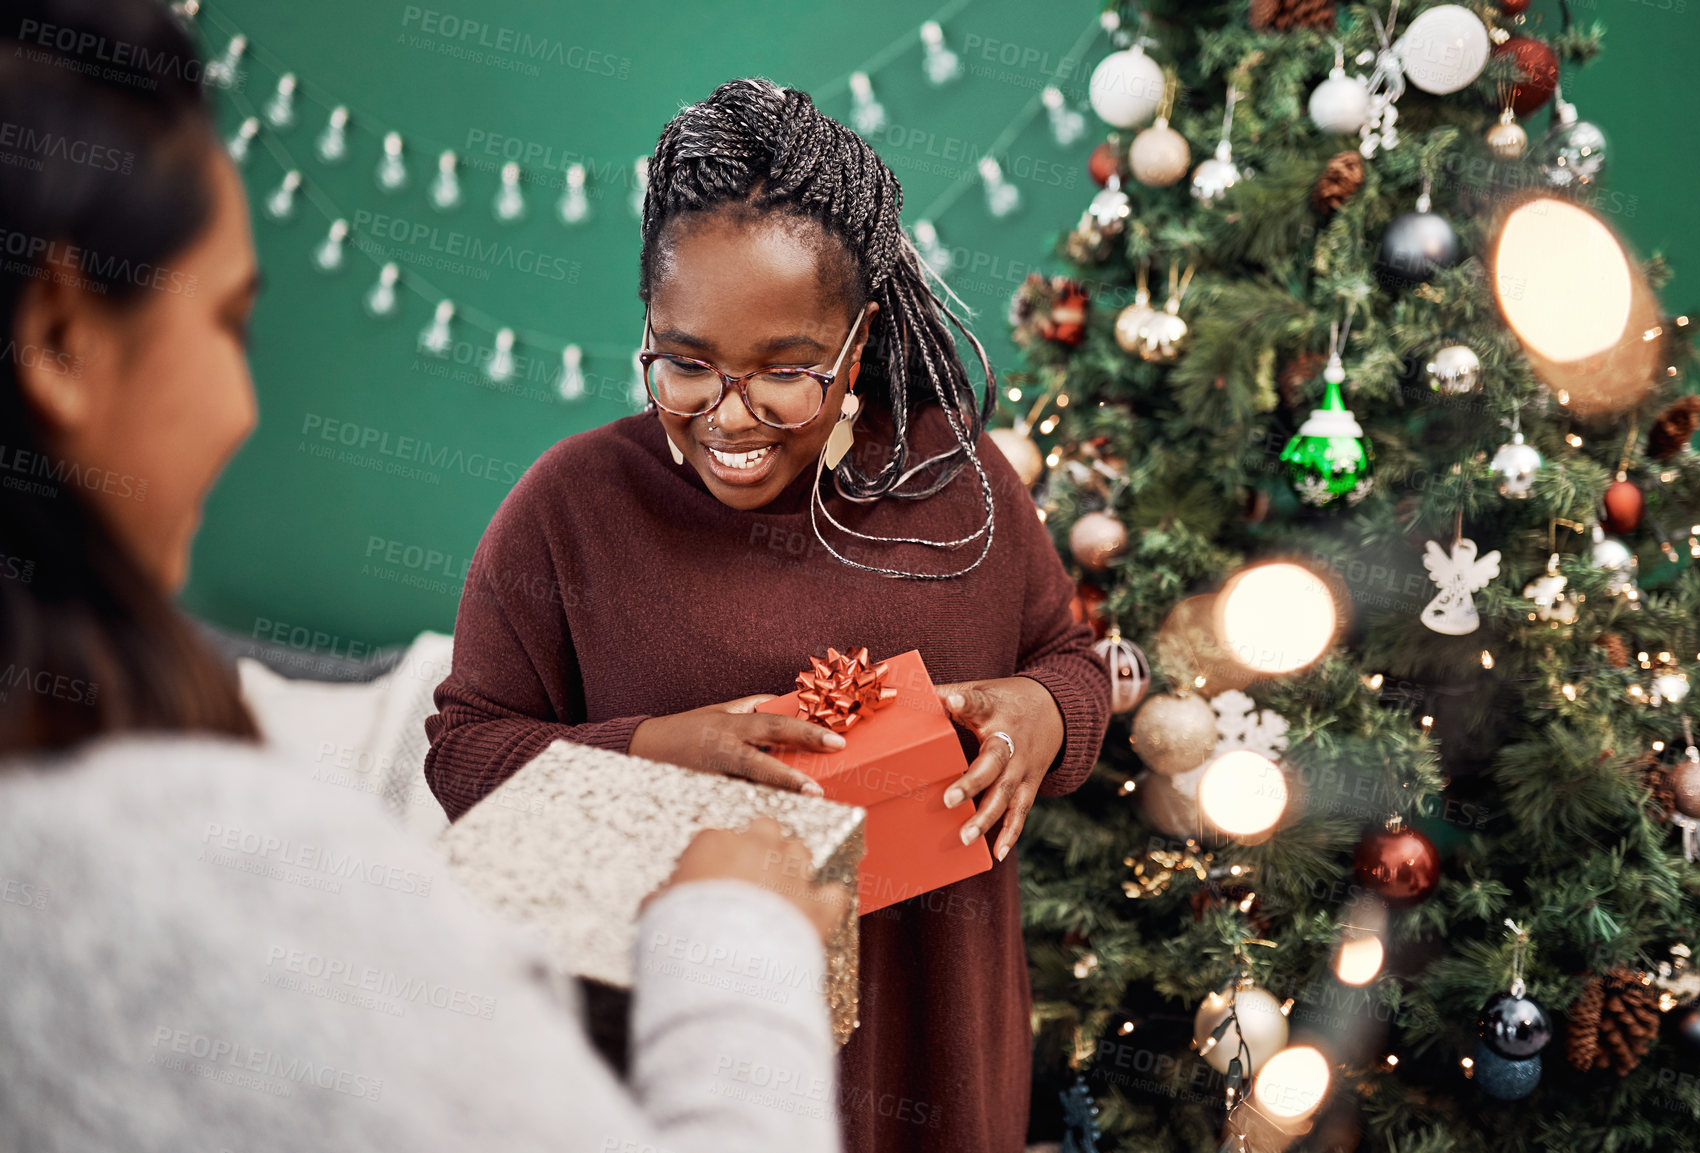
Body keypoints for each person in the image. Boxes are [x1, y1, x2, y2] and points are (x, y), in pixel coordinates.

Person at [0, 3, 845, 1151]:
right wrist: (731, 928)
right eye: (228, 320)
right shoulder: (213, 882)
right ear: (59, 337)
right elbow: (468, 744)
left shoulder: (919, 514)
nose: (245, 404)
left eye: (784, 369)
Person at [424, 77, 1112, 1153]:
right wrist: (661, 749)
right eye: (683, 362)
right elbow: (463, 756)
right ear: (645, 322)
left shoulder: (955, 487)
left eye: (787, 371)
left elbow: (1064, 657)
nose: (727, 415)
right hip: (669, 1079)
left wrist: (1042, 714)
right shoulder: (571, 508)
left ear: (857, 334)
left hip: (932, 1057)